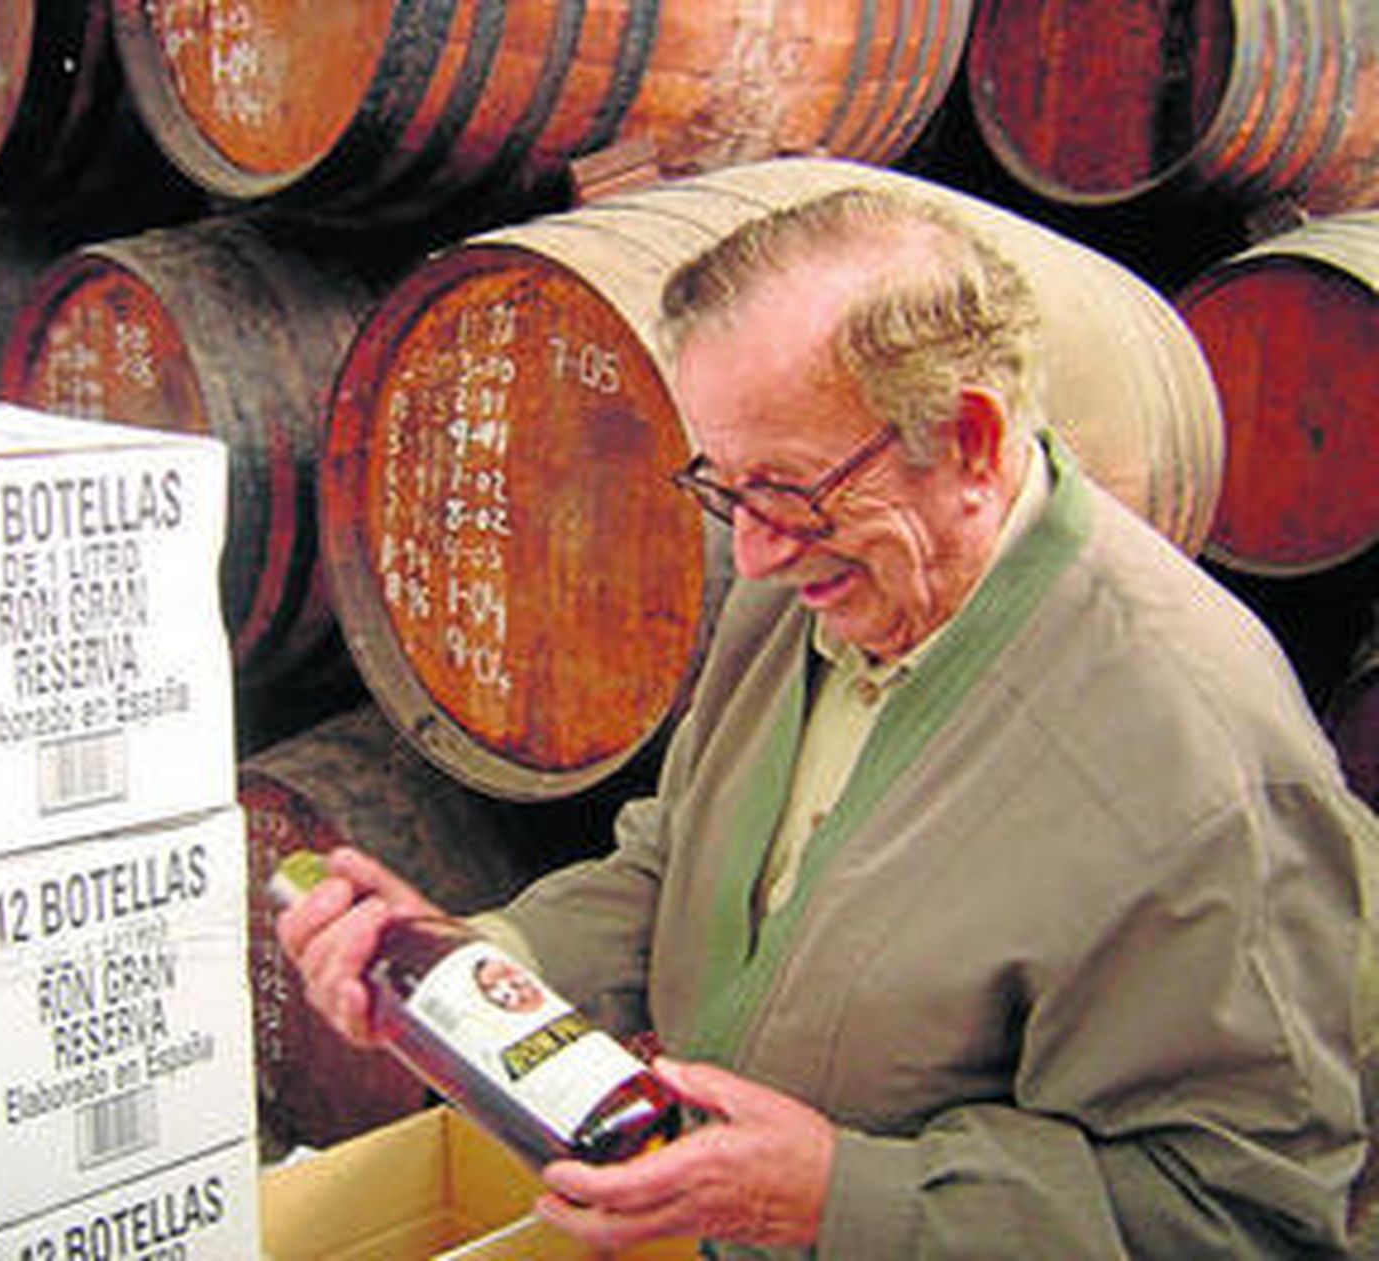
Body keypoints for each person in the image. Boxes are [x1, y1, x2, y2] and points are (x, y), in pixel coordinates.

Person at [277, 183, 1379, 1257]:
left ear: (970, 442)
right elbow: (686, 865)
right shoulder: (820, 579)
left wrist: (836, 1199)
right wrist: (473, 966)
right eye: (726, 487)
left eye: (789, 491)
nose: (750, 551)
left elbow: (1235, 1214)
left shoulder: (1195, 764)